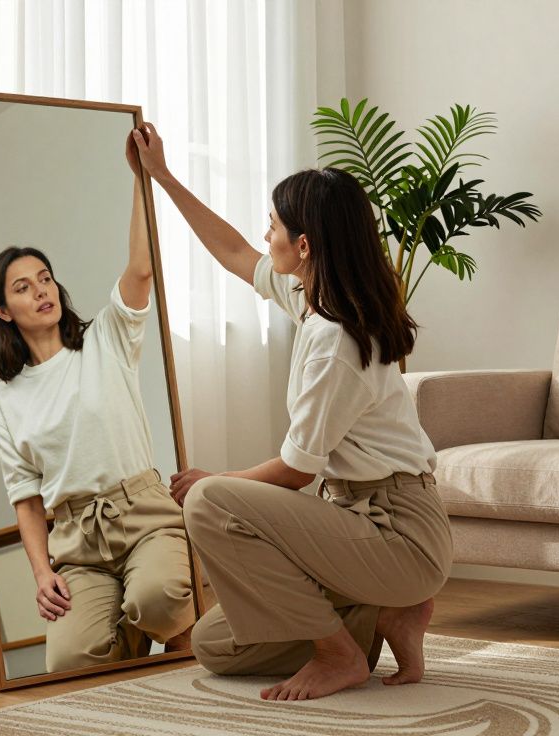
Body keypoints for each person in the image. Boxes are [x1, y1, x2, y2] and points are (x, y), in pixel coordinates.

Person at [130, 122, 452, 701]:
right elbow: (232, 251)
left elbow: (298, 471)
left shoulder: (336, 338)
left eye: (275, 224)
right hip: (359, 524)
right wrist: (163, 177)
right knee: (217, 646)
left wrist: (215, 481)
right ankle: (387, 615)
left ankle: (338, 653)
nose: (265, 233)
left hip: (399, 533)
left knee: (208, 501)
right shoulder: (311, 296)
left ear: (303, 246)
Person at [0, 131, 194, 671]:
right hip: (76, 540)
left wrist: (141, 176)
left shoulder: (107, 338)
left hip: (144, 513)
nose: (41, 291)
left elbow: (141, 270)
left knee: (160, 600)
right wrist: (40, 573)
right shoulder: (5, 400)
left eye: (45, 278)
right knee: (69, 665)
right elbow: (26, 499)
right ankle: (138, 636)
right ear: (3, 311)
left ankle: (166, 614)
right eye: (23, 287)